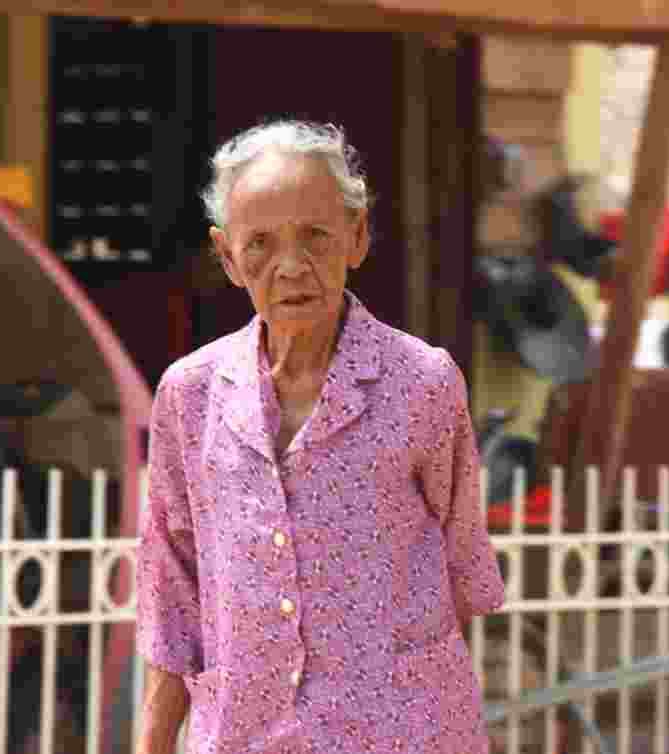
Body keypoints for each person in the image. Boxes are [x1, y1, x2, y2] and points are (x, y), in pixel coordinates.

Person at [135, 121, 505, 754]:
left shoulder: (422, 383)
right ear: (227, 258)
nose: (290, 267)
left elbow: (460, 569)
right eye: (260, 244)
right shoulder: (188, 396)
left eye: (315, 236)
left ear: (356, 237)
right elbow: (172, 591)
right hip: (243, 735)